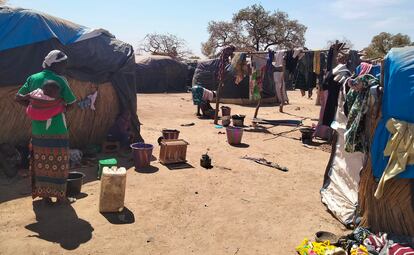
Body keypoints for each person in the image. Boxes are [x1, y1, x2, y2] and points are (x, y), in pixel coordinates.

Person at [15, 50, 77, 204]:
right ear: (55, 64)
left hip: (38, 130)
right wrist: (57, 109)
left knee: (41, 163)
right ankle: (60, 196)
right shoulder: (60, 81)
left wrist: (36, 106)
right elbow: (72, 103)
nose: (65, 67)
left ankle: (45, 197)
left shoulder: (33, 78)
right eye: (63, 64)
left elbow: (18, 97)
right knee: (59, 165)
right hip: (57, 130)